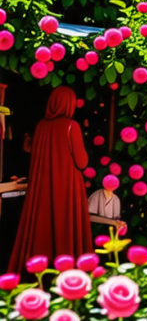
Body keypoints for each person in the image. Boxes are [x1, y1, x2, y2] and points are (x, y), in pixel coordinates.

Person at [8, 87, 93, 274]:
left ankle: (40, 274)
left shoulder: (41, 126)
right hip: (68, 186)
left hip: (43, 188)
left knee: (42, 226)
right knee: (66, 226)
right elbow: (82, 162)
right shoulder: (72, 126)